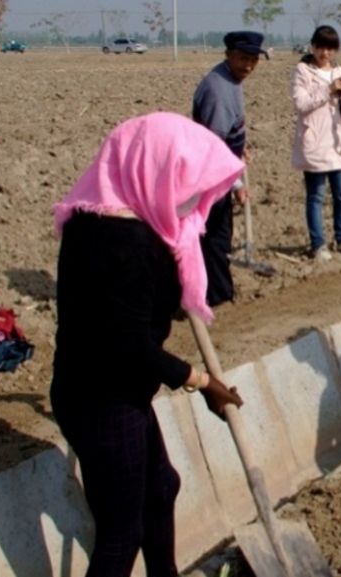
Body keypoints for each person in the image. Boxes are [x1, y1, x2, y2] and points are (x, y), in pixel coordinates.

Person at [51, 112, 245, 577]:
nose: (194, 199)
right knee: (122, 533)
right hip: (104, 398)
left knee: (161, 489)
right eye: (186, 183)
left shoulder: (92, 217)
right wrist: (200, 381)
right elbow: (130, 344)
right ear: (155, 171)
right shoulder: (130, 242)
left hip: (99, 389)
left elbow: (124, 315)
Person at [191, 31, 266, 305]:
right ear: (228, 55)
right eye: (243, 58)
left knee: (217, 239)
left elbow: (227, 133)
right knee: (214, 240)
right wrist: (236, 184)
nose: (248, 66)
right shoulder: (218, 89)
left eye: (253, 60)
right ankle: (216, 299)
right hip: (210, 178)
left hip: (220, 170)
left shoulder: (231, 79)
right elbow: (213, 146)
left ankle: (215, 295)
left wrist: (239, 146)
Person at [291, 25, 341, 261]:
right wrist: (328, 89)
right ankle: (318, 244)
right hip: (314, 142)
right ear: (312, 46)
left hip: (336, 141)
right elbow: (301, 104)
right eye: (321, 47)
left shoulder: (338, 70)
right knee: (316, 196)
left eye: (330, 48)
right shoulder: (302, 71)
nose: (325, 53)